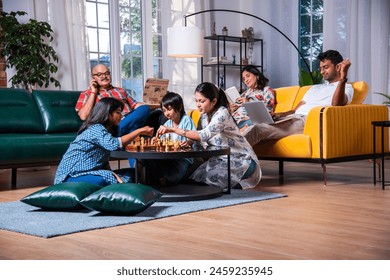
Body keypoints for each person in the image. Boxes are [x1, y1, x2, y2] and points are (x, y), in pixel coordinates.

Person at [156, 82, 261, 190]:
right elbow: (198, 140)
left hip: (240, 159)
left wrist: (174, 129)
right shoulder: (203, 116)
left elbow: (204, 135)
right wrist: (188, 143)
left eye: (202, 101)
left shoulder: (222, 113)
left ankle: (235, 184)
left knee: (209, 182)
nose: (198, 104)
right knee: (194, 179)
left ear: (214, 101)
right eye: (196, 101)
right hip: (218, 159)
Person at [242, 49, 354, 146]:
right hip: (293, 117)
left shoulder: (346, 87)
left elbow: (337, 104)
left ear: (338, 67)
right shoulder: (315, 88)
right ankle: (230, 160)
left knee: (258, 129)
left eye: (325, 67)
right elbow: (294, 110)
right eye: (321, 68)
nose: (322, 72)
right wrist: (279, 114)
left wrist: (343, 77)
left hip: (307, 121)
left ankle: (229, 162)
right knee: (250, 125)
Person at [55, 97, 154, 186]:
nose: (121, 116)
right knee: (103, 179)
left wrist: (111, 173)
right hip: (71, 176)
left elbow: (103, 162)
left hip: (90, 172)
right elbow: (114, 145)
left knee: (132, 172)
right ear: (107, 113)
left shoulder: (106, 131)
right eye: (118, 112)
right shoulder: (96, 128)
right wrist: (139, 131)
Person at [75, 64, 151, 137]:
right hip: (110, 125)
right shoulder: (87, 93)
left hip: (127, 119)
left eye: (107, 73)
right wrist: (93, 92)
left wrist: (152, 104)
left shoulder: (121, 90)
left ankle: (126, 136)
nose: (104, 76)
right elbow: (83, 116)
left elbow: (135, 105)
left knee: (146, 108)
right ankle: (126, 135)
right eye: (99, 74)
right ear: (93, 78)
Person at [142, 92, 197, 187]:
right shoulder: (167, 124)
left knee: (173, 179)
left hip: (182, 158)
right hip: (168, 158)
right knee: (147, 158)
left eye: (169, 109)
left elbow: (193, 137)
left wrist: (188, 142)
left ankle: (163, 179)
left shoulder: (186, 120)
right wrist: (156, 140)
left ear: (179, 108)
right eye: (164, 110)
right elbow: (161, 141)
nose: (166, 113)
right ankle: (160, 178)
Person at [230, 65, 276, 129]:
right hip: (234, 120)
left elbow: (268, 112)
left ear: (257, 76)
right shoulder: (245, 93)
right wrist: (232, 109)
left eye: (248, 76)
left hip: (249, 121)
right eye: (244, 79)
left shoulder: (267, 90)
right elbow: (235, 108)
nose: (246, 80)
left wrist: (247, 102)